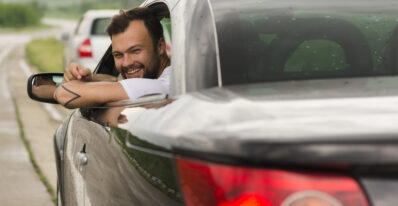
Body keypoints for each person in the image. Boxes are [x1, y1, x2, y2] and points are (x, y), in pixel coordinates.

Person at [54, 7, 171, 109]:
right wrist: (89, 78)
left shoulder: (164, 85)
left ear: (160, 46)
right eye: (118, 55)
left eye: (135, 51)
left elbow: (63, 94)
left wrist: (77, 84)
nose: (126, 63)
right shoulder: (170, 78)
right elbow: (116, 80)